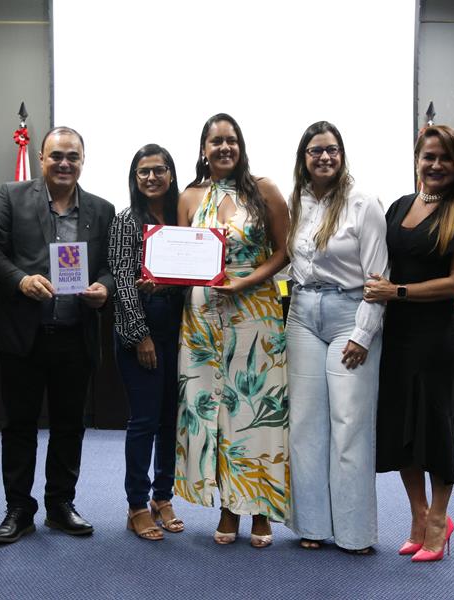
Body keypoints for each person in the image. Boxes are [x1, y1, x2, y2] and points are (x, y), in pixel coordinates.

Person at [363, 124, 454, 562]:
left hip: (436, 337)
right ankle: (418, 515)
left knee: (434, 426)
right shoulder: (399, 207)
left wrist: (397, 292)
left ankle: (440, 519)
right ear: (417, 160)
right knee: (401, 426)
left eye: (444, 158)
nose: (435, 165)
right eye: (428, 157)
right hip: (397, 334)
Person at [0, 126, 115, 543]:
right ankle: (18, 509)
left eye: (72, 156)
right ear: (41, 158)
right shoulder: (11, 196)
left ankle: (60, 505)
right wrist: (21, 281)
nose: (64, 163)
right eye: (56, 155)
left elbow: (108, 268)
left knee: (69, 425)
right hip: (23, 334)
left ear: (83, 161)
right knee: (19, 425)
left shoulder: (102, 209)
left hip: (75, 335)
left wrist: (104, 289)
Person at [174, 113, 290, 548]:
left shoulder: (264, 190)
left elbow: (284, 252)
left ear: (240, 146)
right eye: (216, 141)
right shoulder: (189, 197)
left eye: (231, 140)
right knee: (213, 413)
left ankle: (259, 509)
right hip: (203, 319)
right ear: (203, 149)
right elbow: (179, 256)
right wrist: (158, 277)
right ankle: (227, 505)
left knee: (254, 407)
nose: (224, 147)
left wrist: (245, 282)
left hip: (255, 312)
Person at [285, 121, 388, 554]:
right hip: (302, 315)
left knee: (350, 425)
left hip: (350, 315)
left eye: (331, 150)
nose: (324, 157)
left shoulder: (364, 204)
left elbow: (379, 278)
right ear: (304, 158)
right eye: (315, 151)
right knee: (306, 426)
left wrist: (364, 333)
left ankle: (354, 534)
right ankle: (311, 526)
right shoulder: (295, 202)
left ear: (342, 155)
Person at [108, 144, 185, 541]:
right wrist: (141, 335)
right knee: (144, 420)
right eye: (144, 172)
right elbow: (123, 281)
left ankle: (162, 497)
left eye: (159, 170)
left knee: (170, 419)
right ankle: (137, 505)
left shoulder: (182, 219)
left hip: (179, 325)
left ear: (171, 174)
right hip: (141, 326)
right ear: (135, 178)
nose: (152, 177)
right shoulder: (126, 220)